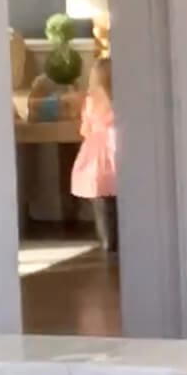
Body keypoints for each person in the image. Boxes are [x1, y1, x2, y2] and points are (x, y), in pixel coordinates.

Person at [71, 56, 118, 252]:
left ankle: (107, 241)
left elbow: (85, 130)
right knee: (117, 203)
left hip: (94, 159)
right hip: (113, 154)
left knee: (101, 204)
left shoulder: (90, 102)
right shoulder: (119, 101)